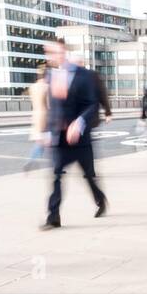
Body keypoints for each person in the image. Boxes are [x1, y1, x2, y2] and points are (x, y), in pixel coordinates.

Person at [42, 38, 107, 229]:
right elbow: (52, 108)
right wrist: (47, 131)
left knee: (88, 176)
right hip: (59, 138)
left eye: (53, 52)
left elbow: (92, 104)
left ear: (63, 52)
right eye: (48, 53)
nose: (50, 56)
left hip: (80, 139)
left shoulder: (84, 75)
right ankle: (53, 216)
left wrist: (79, 123)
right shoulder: (50, 75)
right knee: (56, 176)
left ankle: (100, 199)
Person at [24, 64, 49, 172]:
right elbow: (49, 104)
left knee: (40, 142)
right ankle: (59, 165)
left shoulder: (32, 87)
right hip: (46, 117)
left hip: (36, 116)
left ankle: (31, 160)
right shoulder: (47, 87)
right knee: (52, 142)